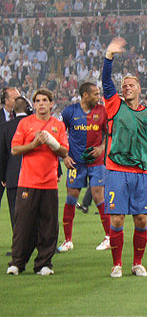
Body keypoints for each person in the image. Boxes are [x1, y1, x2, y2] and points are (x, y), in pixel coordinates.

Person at [102, 37, 147, 278]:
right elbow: (106, 81)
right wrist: (109, 56)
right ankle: (116, 264)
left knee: (140, 218)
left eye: (131, 85)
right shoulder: (114, 105)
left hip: (140, 173)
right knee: (117, 219)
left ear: (139, 89)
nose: (126, 87)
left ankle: (137, 263)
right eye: (124, 85)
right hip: (116, 170)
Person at [7, 88, 69, 276]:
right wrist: (34, 144)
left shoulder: (58, 125)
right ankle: (17, 263)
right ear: (33, 105)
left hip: (49, 183)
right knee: (23, 224)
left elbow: (65, 152)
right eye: (38, 101)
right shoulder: (26, 124)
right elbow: (15, 150)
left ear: (51, 104)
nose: (41, 104)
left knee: (48, 226)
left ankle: (44, 264)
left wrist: (53, 144)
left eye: (45, 100)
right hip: (27, 182)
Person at [59, 82, 110, 252]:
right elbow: (60, 134)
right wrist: (65, 156)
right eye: (95, 94)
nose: (98, 97)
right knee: (71, 198)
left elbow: (109, 133)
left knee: (98, 196)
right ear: (85, 95)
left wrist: (102, 148)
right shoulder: (69, 112)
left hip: (96, 163)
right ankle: (68, 240)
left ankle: (108, 237)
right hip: (75, 163)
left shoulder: (102, 111)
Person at [0, 97, 28, 234]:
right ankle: (42, 244)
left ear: (13, 110)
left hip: (13, 176)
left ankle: (18, 246)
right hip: (34, 175)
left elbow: (2, 155)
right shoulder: (35, 124)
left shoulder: (5, 127)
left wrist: (3, 177)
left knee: (14, 211)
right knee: (37, 211)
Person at [0, 87, 20, 209]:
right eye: (15, 98)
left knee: (18, 209)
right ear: (6, 101)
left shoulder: (24, 117)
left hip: (16, 169)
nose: (19, 101)